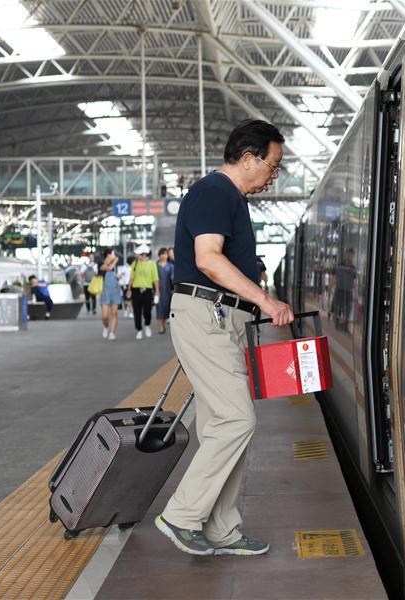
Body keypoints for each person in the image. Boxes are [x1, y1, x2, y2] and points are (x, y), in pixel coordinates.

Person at [154, 119, 294, 557]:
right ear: (249, 158)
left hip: (219, 319)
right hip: (205, 314)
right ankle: (181, 516)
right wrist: (268, 302)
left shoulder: (229, 197)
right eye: (272, 166)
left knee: (224, 424)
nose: (273, 176)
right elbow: (208, 260)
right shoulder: (215, 192)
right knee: (237, 420)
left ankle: (222, 529)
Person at [127, 245, 160, 339]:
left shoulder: (152, 264)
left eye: (140, 255)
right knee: (137, 311)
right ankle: (139, 330)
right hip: (136, 290)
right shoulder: (135, 263)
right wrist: (129, 289)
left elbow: (155, 279)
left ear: (145, 254)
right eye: (138, 255)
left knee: (147, 310)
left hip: (147, 290)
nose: (139, 256)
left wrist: (157, 291)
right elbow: (131, 277)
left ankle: (147, 325)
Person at [98, 248, 122, 340]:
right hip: (105, 292)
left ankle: (112, 333)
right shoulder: (101, 264)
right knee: (105, 316)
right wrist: (114, 261)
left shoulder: (115, 266)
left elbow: (115, 274)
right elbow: (108, 268)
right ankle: (106, 327)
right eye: (111, 254)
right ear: (107, 255)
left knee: (114, 313)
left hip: (115, 291)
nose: (113, 256)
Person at [331, 249, 356, 332]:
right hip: (340, 289)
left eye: (352, 255)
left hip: (348, 291)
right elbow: (334, 276)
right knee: (338, 307)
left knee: (347, 308)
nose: (350, 256)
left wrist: (353, 289)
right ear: (346, 254)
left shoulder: (353, 267)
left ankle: (345, 327)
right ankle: (337, 324)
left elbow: (354, 280)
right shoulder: (340, 264)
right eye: (349, 254)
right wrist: (333, 286)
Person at [156, 248, 174, 334]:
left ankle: (163, 323)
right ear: (159, 255)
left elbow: (173, 278)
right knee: (159, 308)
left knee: (166, 307)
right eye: (162, 254)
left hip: (168, 290)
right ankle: (160, 326)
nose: (163, 256)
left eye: (165, 254)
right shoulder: (155, 265)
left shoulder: (170, 266)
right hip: (157, 290)